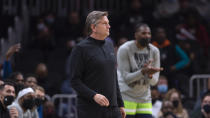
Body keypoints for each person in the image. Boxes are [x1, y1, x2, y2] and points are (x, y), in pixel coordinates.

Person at [69, 11, 126, 118]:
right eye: (104, 23)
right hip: (90, 109)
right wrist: (94, 96)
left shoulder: (109, 45)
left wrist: (120, 104)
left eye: (108, 23)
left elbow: (113, 77)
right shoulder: (80, 49)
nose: (109, 26)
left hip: (113, 109)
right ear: (93, 27)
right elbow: (74, 81)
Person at [117, 23, 163, 118]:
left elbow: (154, 82)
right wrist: (143, 72)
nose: (147, 36)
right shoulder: (124, 49)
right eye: (143, 33)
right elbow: (127, 78)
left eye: (149, 33)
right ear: (135, 35)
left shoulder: (154, 51)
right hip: (126, 95)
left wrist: (149, 75)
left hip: (144, 97)